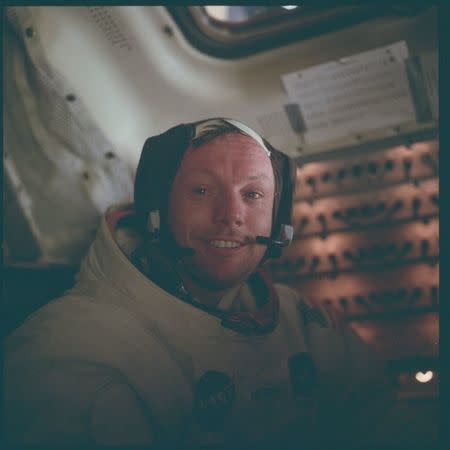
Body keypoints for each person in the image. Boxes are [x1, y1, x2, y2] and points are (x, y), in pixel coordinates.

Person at [4, 118, 393, 448]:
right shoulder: (69, 352)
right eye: (203, 191)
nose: (231, 216)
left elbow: (384, 422)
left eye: (253, 194)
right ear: (156, 208)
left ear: (279, 223)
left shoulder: (302, 321)